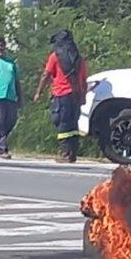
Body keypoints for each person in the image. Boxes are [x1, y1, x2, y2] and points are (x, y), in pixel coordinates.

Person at [33, 30, 88, 163]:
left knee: (61, 122)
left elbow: (46, 74)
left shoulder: (55, 56)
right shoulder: (79, 58)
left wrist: (38, 92)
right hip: (76, 95)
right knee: (73, 125)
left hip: (61, 94)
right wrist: (83, 96)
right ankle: (73, 153)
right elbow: (84, 79)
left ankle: (64, 153)